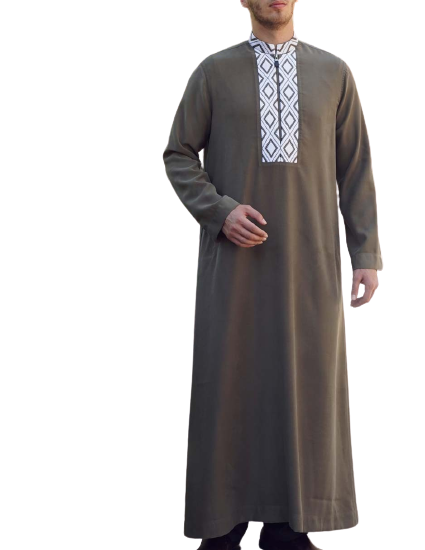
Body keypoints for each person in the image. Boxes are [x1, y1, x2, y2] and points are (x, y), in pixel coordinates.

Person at [162, 1, 383, 548]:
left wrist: (365, 252)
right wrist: (219, 211)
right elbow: (178, 153)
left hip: (311, 267)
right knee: (231, 385)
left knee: (305, 386)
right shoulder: (214, 73)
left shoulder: (334, 74)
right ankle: (224, 526)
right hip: (234, 271)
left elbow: (355, 166)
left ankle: (288, 527)